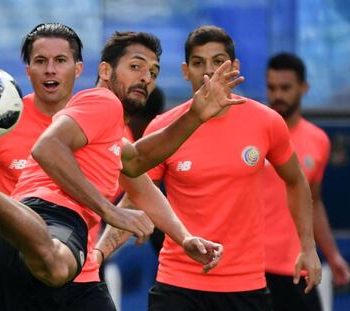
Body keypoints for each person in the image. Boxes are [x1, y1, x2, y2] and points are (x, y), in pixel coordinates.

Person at [0, 30, 244, 310]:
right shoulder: (103, 102)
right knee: (58, 265)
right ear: (104, 71)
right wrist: (110, 211)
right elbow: (46, 148)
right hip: (46, 227)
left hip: (22, 262)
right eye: (136, 66)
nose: (145, 78)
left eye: (152, 72)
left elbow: (139, 170)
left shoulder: (113, 131)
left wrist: (184, 237)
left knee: (62, 268)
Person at [95, 25, 322, 311]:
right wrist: (99, 252)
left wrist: (308, 247)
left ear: (234, 67)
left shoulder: (266, 122)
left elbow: (297, 182)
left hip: (245, 285)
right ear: (185, 71)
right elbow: (138, 195)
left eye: (218, 61)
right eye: (198, 62)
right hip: (177, 284)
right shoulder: (165, 128)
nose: (209, 71)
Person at [0, 22, 85, 311]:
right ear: (28, 71)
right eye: (40, 61)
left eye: (60, 60)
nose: (50, 70)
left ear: (78, 69)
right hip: (12, 278)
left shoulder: (97, 122)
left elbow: (138, 180)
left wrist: (106, 242)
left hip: (82, 280)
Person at [263, 52, 350, 311]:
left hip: (297, 269)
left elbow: (314, 202)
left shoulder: (319, 140)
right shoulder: (254, 135)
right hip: (251, 269)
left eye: (285, 87)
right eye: (271, 87)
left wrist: (333, 257)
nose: (278, 95)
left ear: (304, 88)